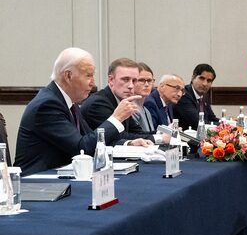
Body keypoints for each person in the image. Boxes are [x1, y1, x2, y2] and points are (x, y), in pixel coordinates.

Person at [14, 47, 148, 175]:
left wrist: (127, 143)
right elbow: (82, 148)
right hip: (37, 184)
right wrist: (116, 118)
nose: (93, 83)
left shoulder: (68, 102)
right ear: (68, 76)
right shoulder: (47, 105)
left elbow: (91, 139)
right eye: (88, 75)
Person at [81, 57, 148, 137]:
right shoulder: (98, 103)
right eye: (125, 80)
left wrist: (161, 135)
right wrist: (158, 138)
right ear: (111, 80)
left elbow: (137, 132)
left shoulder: (122, 101)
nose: (131, 86)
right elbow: (115, 137)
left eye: (134, 81)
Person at [174, 64, 218, 130]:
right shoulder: (184, 95)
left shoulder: (204, 95)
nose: (205, 84)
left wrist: (226, 124)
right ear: (193, 78)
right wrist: (221, 125)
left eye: (209, 81)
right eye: (202, 78)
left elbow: (212, 118)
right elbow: (197, 123)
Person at [132, 63, 157, 134]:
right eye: (141, 80)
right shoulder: (131, 108)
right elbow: (136, 136)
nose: (146, 84)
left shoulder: (146, 110)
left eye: (149, 80)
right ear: (132, 82)